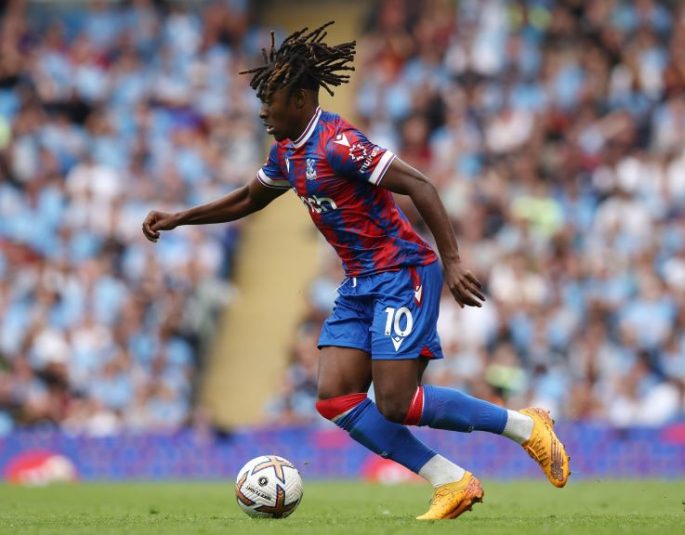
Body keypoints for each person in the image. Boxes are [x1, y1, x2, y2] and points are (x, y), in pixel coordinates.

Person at [142, 22, 570, 520]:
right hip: (359, 283)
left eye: (271, 101)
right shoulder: (286, 153)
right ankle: (451, 480)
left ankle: (526, 428)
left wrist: (452, 262)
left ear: (300, 100)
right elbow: (247, 198)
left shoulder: (339, 143)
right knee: (335, 398)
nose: (263, 111)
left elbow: (422, 186)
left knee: (395, 401)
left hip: (402, 272)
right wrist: (180, 217)